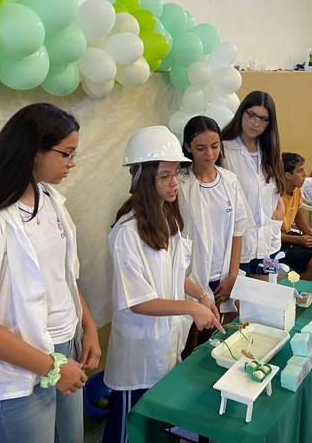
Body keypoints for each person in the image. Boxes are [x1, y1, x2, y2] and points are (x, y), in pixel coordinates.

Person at [0, 103, 101, 443]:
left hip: (65, 348)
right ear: (34, 151)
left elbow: (64, 277)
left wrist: (88, 326)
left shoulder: (50, 199)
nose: (72, 163)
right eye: (66, 154)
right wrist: (52, 367)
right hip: (18, 368)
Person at [103, 125, 223, 443]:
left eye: (175, 174)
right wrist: (191, 308)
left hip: (165, 345)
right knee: (128, 429)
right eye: (164, 177)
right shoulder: (127, 233)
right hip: (138, 354)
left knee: (156, 426)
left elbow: (172, 275)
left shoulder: (166, 218)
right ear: (144, 180)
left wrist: (201, 295)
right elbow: (139, 300)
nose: (174, 183)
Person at [177, 116, 249, 355]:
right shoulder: (179, 184)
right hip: (191, 277)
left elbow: (238, 230)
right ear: (187, 147)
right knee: (187, 343)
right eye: (200, 148)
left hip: (222, 278)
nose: (209, 154)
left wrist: (233, 275)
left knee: (211, 341)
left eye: (215, 146)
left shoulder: (229, 181)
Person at [221, 91, 286, 278]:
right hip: (238, 245)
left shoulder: (270, 152)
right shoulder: (224, 150)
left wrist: (280, 206)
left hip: (269, 242)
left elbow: (274, 187)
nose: (255, 123)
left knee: (266, 290)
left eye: (263, 119)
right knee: (238, 294)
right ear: (241, 112)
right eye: (251, 115)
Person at [279, 152, 312, 282]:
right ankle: (298, 290)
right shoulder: (275, 195)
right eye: (300, 171)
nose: (305, 175)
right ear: (288, 175)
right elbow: (270, 235)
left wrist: (310, 233)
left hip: (289, 235)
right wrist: (298, 240)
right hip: (277, 242)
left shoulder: (296, 189)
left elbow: (298, 215)